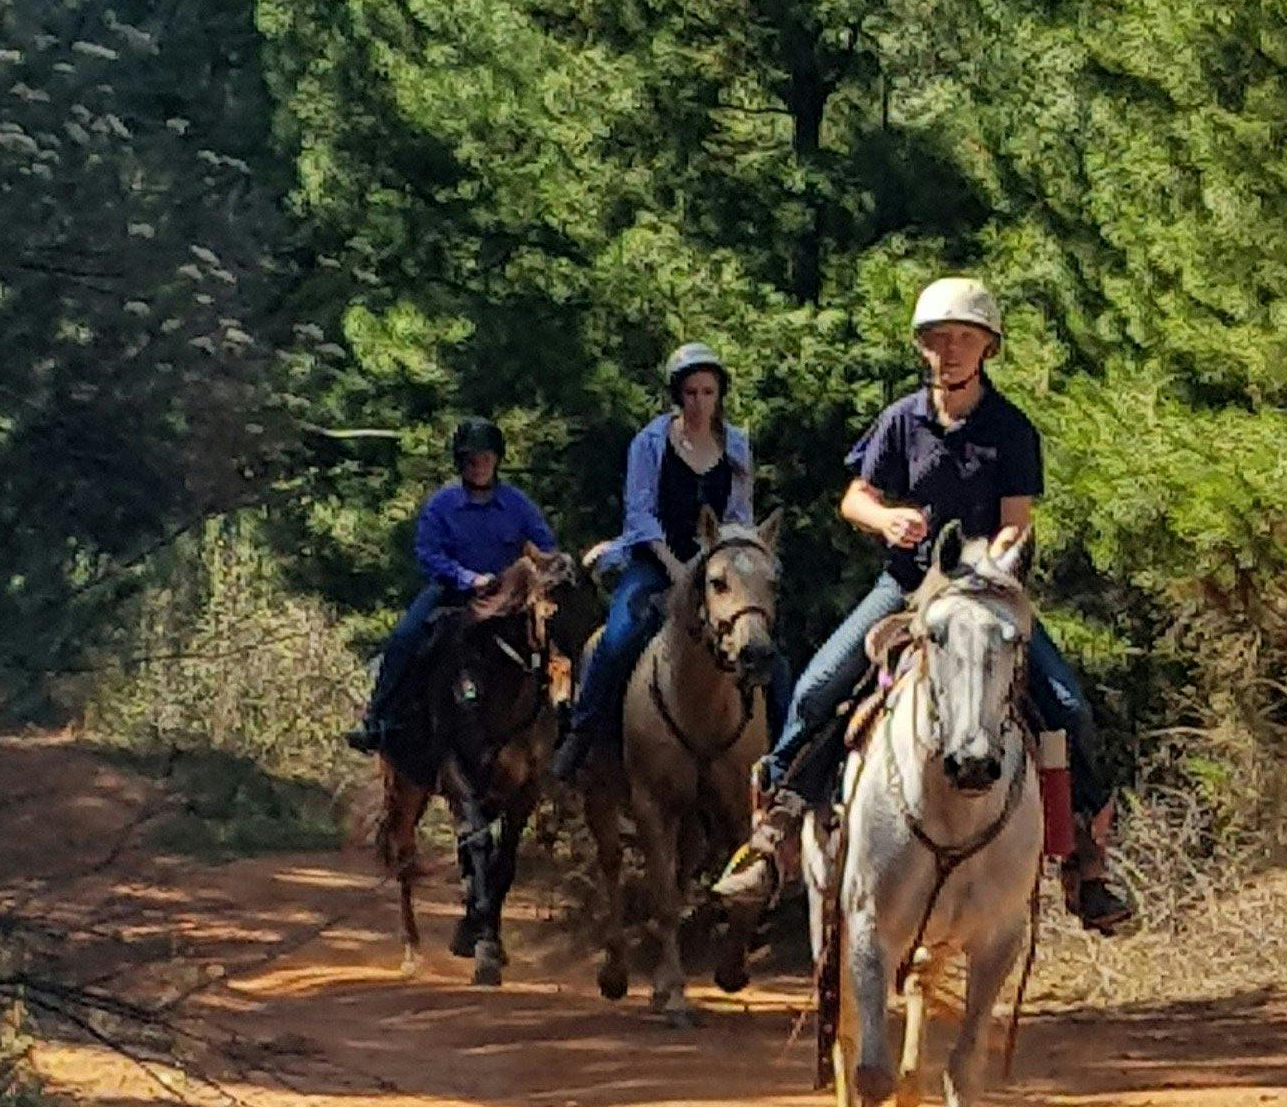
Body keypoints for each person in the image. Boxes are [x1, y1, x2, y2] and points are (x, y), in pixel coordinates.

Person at [712, 276, 1135, 934]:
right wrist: (885, 521)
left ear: (988, 347)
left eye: (964, 338)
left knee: (1068, 704)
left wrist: (993, 562)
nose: (950, 350)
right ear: (923, 350)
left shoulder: (1011, 428)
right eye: (938, 340)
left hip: (988, 592)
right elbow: (855, 496)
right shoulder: (900, 420)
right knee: (818, 686)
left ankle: (1085, 857)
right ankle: (775, 832)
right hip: (907, 587)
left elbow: (1016, 522)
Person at [553, 342, 783, 779]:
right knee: (620, 636)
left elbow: (738, 514)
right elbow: (640, 514)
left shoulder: (735, 445)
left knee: (765, 642)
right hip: (656, 560)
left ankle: (782, 750)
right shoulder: (651, 442)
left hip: (719, 564)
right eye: (691, 393)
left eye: (708, 392)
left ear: (719, 395)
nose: (699, 402)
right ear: (678, 395)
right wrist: (677, 569)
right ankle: (584, 737)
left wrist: (737, 558)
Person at [346, 418, 563, 756]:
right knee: (404, 636)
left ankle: (570, 721)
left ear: (497, 460)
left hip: (508, 597)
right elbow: (428, 553)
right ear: (461, 463)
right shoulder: (442, 504)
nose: (479, 467)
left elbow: (545, 544)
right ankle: (376, 718)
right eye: (472, 460)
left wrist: (550, 564)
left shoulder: (517, 503)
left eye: (486, 459)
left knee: (558, 636)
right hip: (452, 592)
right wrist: (468, 578)